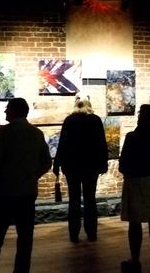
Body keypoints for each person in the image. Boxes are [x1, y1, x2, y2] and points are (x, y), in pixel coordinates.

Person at [0, 98, 50, 273]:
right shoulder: (36, 133)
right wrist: (34, 175)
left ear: (14, 111)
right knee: (25, 240)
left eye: (7, 109)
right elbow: (47, 162)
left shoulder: (4, 132)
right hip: (27, 192)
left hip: (4, 192)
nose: (5, 113)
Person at [119, 105, 150, 273]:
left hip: (136, 179)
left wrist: (126, 170)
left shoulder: (133, 136)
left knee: (135, 221)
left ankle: (135, 259)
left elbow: (124, 162)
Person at [57, 98, 108, 242]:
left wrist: (57, 164)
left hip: (72, 166)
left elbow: (62, 144)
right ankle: (91, 233)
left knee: (74, 200)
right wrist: (103, 163)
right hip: (91, 166)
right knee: (90, 199)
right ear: (89, 105)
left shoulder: (69, 120)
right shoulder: (95, 120)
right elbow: (101, 143)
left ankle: (74, 234)